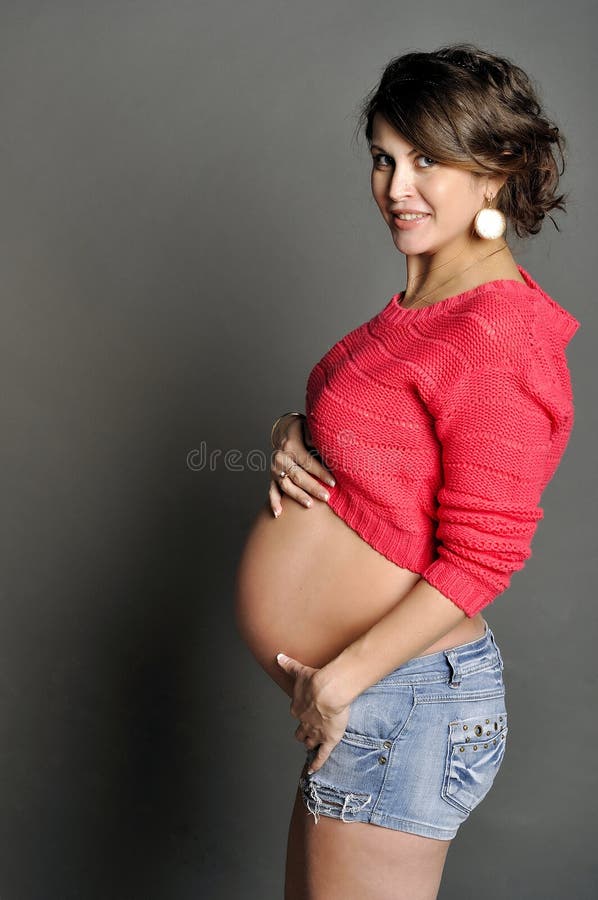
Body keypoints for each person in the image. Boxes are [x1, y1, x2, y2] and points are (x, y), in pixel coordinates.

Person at [233, 42, 580, 900]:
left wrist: (344, 679)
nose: (396, 186)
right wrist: (293, 430)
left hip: (399, 697)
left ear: (496, 171)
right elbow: (381, 442)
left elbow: (485, 555)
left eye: (427, 159)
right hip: (373, 696)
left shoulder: (499, 333)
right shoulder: (430, 303)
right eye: (384, 158)